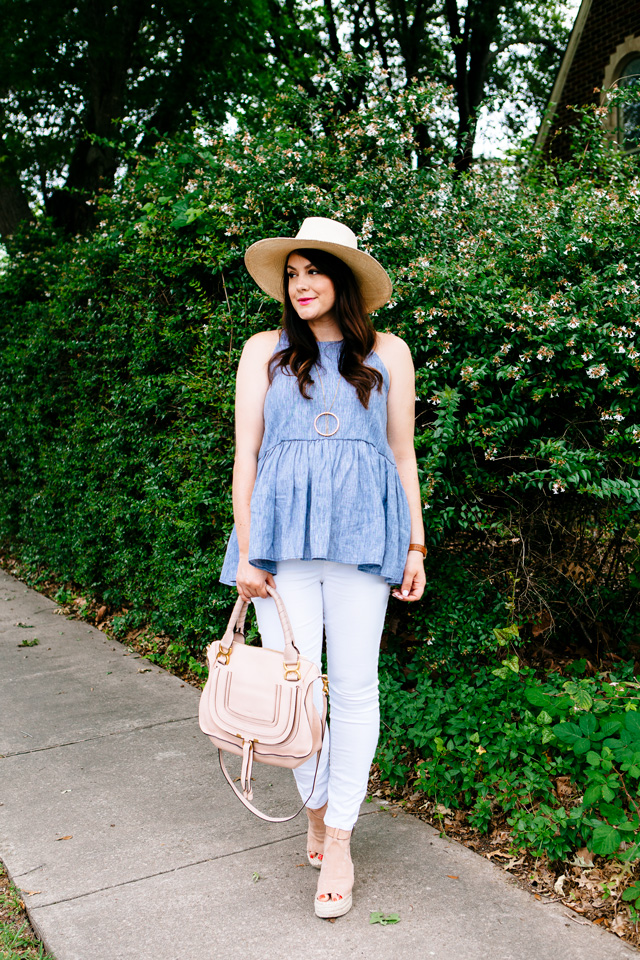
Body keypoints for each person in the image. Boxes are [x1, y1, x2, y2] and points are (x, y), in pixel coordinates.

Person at [220, 216, 425, 919]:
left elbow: (402, 455)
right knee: (298, 692)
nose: (302, 284)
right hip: (280, 545)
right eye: (293, 274)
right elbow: (246, 455)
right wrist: (248, 551)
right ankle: (315, 807)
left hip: (366, 539)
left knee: (357, 690)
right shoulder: (264, 351)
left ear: (343, 280)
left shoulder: (389, 352)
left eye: (316, 271)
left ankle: (339, 836)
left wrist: (417, 546)